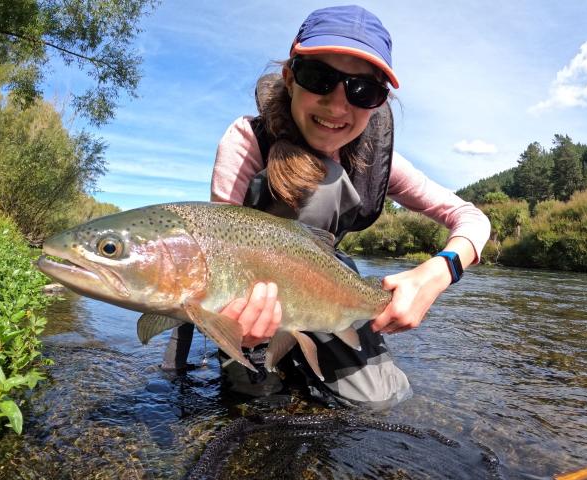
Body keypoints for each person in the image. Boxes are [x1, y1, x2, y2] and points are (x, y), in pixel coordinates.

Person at [163, 5, 490, 408]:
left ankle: (313, 337)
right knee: (256, 403)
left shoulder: (382, 160)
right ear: (290, 77)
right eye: (320, 78)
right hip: (248, 290)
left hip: (327, 286)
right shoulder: (246, 140)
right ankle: (258, 351)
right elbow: (213, 246)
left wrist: (439, 272)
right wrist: (224, 321)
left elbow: (472, 218)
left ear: (378, 102)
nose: (337, 107)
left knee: (379, 399)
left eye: (362, 90)